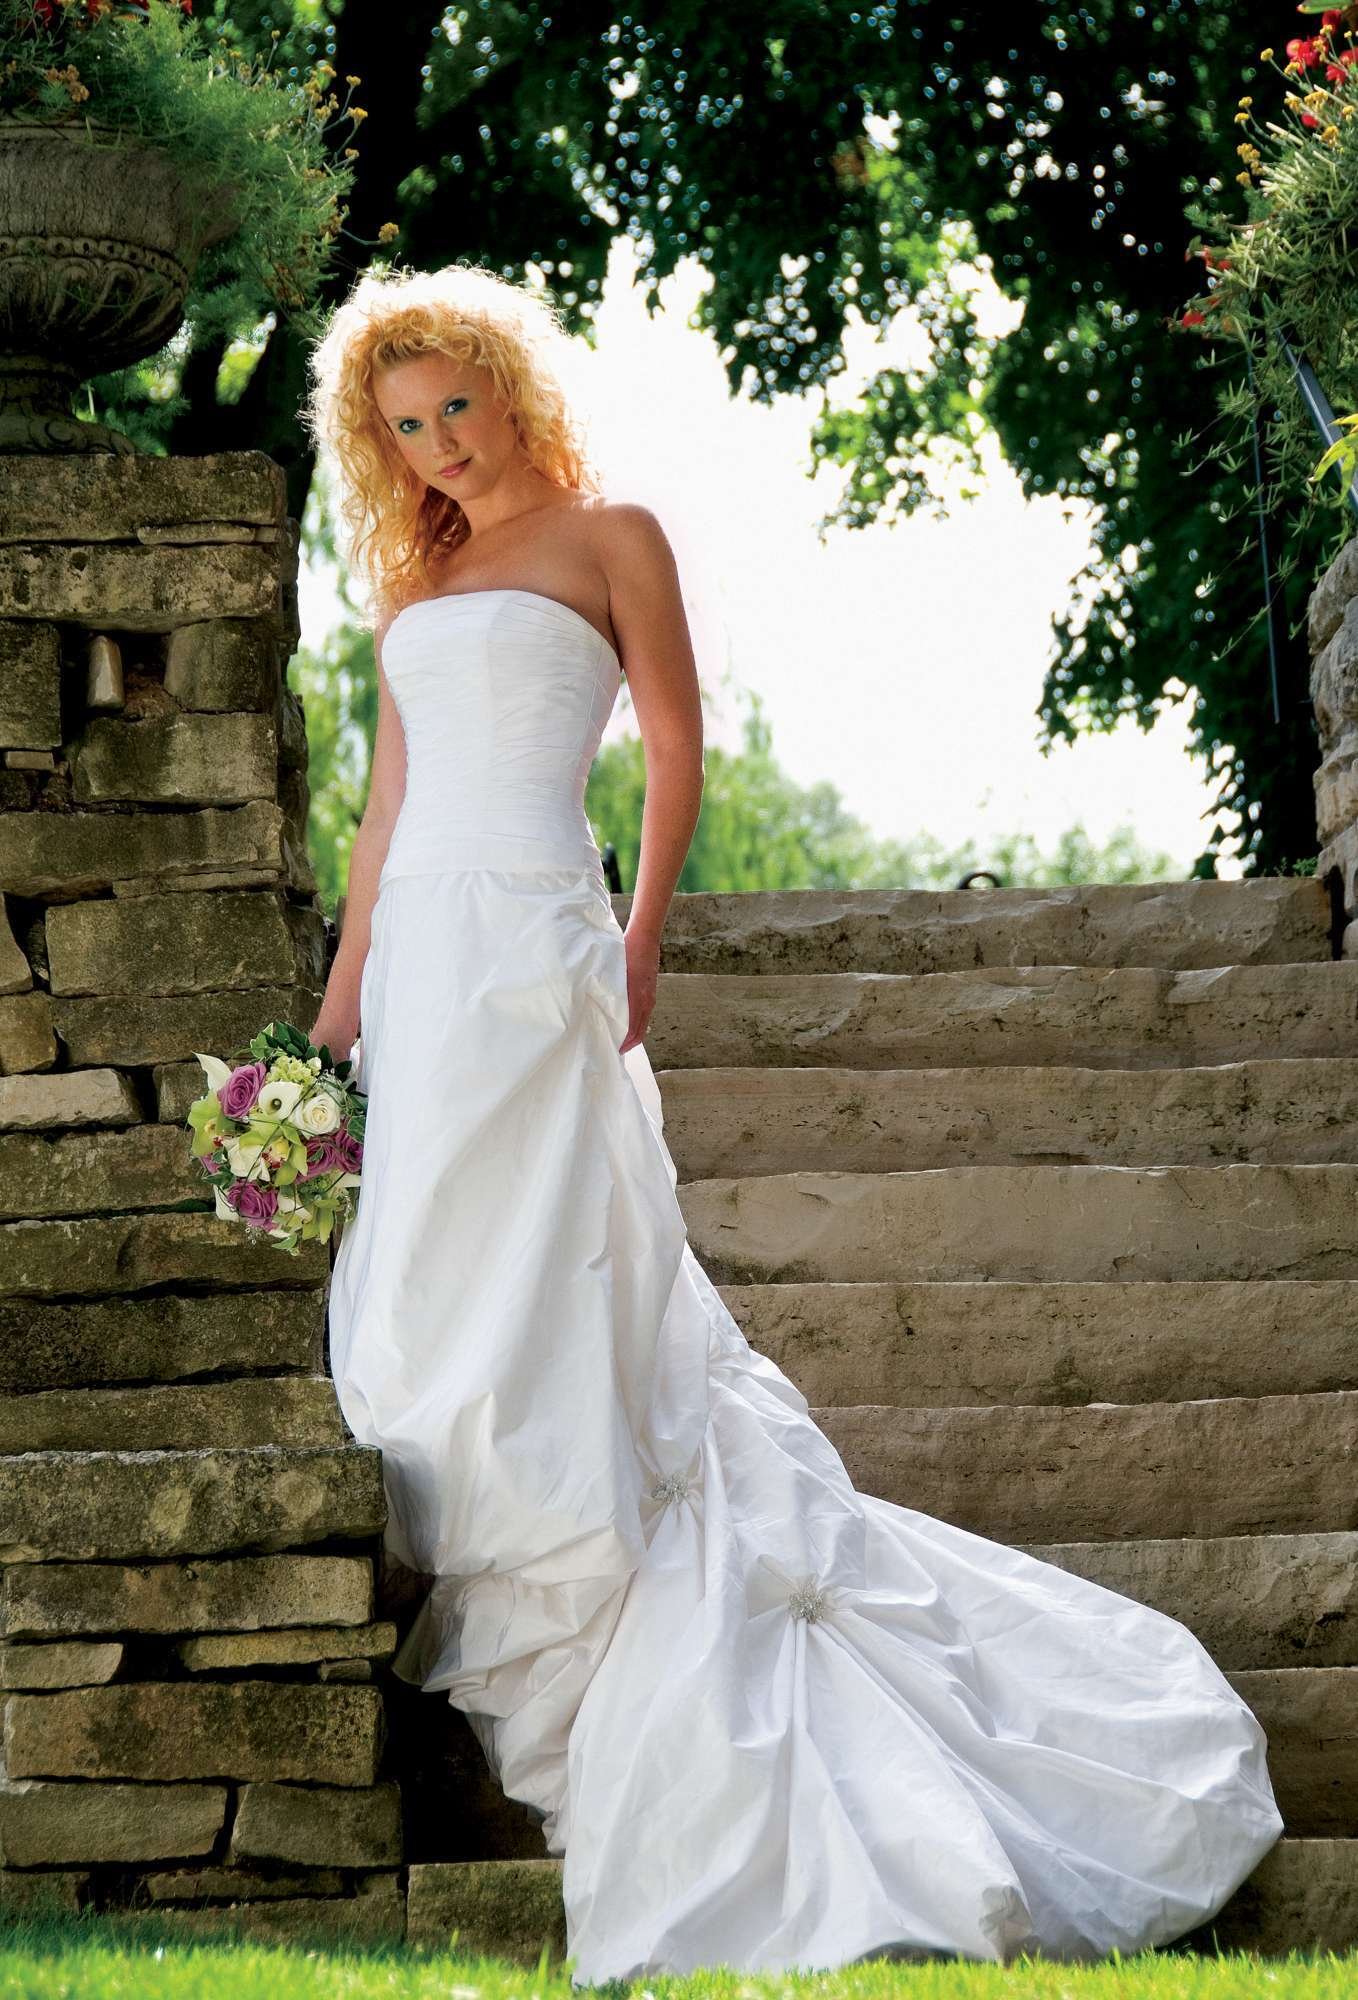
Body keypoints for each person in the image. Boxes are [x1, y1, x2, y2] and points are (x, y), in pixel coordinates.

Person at [302, 261, 1283, 1986]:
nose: (438, 444)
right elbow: (385, 811)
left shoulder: (615, 537)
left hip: (539, 937)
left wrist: (640, 938)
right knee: (427, 1292)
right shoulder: (416, 582)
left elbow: (673, 747)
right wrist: (330, 1020)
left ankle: (612, 1590)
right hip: (423, 975)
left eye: (455, 405)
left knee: (552, 1270)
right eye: (404, 426)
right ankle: (514, 1573)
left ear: (509, 390)